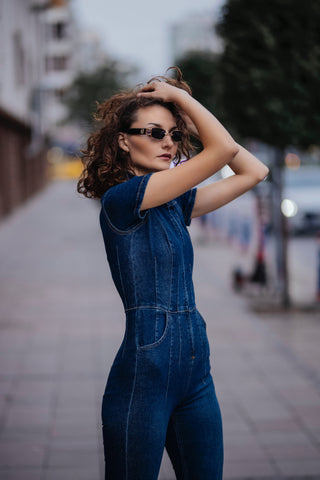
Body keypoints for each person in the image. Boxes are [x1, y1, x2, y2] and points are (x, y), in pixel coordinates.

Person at [77, 68, 269, 480]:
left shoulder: (174, 203)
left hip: (196, 369)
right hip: (145, 376)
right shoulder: (122, 199)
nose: (168, 143)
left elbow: (254, 172)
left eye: (174, 135)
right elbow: (221, 149)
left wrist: (178, 106)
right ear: (124, 141)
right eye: (154, 132)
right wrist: (181, 101)